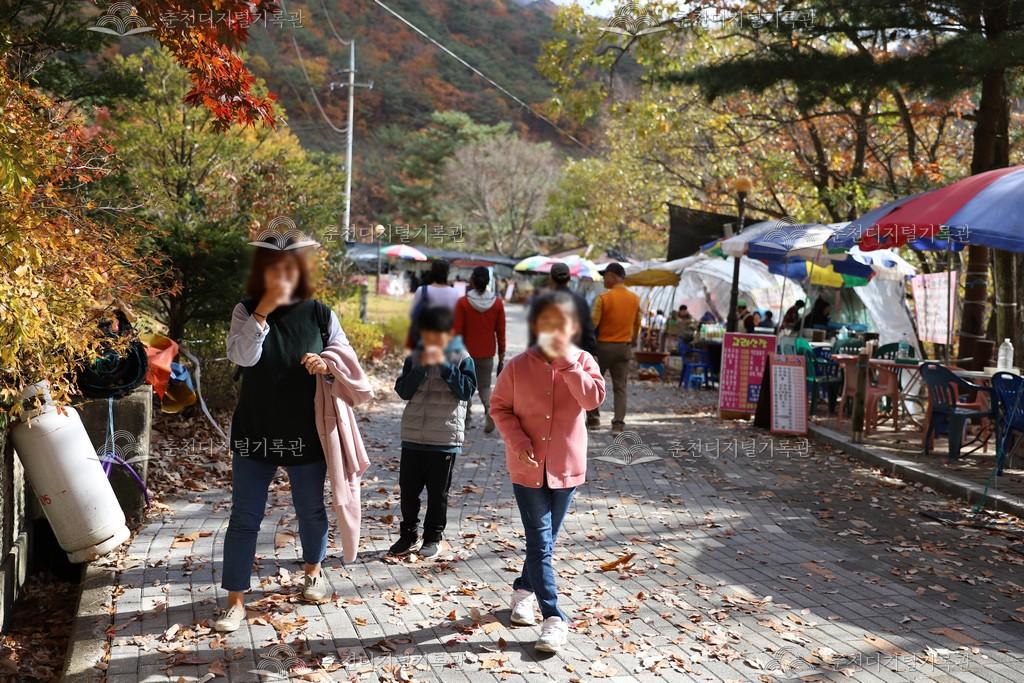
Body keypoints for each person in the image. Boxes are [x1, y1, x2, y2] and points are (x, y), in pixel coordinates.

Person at [217, 237, 366, 633]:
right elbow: (240, 356)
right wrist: (263, 312)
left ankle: (313, 572)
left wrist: (326, 363)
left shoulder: (320, 315)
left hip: (306, 432)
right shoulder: (246, 309)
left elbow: (348, 366)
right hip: (255, 432)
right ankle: (235, 602)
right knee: (244, 518)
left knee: (311, 509)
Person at [490, 291, 606, 653]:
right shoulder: (517, 366)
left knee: (545, 545)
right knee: (541, 544)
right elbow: (499, 407)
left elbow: (592, 401)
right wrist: (518, 440)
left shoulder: (584, 361)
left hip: (566, 468)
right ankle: (554, 618)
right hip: (527, 470)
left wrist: (569, 364)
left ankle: (523, 591)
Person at [391, 305, 477, 559]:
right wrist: (420, 366)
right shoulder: (415, 355)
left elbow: (466, 392)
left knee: (437, 494)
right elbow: (403, 391)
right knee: (408, 492)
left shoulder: (462, 356)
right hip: (413, 436)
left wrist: (444, 365)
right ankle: (408, 536)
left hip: (444, 438)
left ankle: (433, 538)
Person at [454, 266, 506, 433]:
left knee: (465, 385)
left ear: (473, 281)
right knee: (484, 386)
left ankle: (466, 419)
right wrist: (502, 354)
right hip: (487, 353)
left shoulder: (463, 302)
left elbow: (457, 331)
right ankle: (489, 409)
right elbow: (501, 331)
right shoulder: (497, 303)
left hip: (465, 353)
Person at [590, 263, 641, 433]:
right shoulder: (634, 299)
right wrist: (632, 341)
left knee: (594, 383)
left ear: (612, 276)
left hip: (604, 347)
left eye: (605, 276)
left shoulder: (604, 298)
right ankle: (618, 424)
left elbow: (593, 323)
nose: (604, 279)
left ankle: (594, 418)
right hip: (623, 348)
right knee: (620, 387)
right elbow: (637, 325)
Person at [406, 260, 460, 349]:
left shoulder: (422, 290)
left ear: (432, 272)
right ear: (447, 273)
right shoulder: (455, 293)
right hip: (446, 340)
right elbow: (456, 318)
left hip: (425, 339)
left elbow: (412, 314)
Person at [549, 262, 597, 358]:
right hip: (575, 355)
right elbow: (588, 330)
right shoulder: (580, 301)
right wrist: (589, 353)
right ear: (569, 278)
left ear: (551, 279)